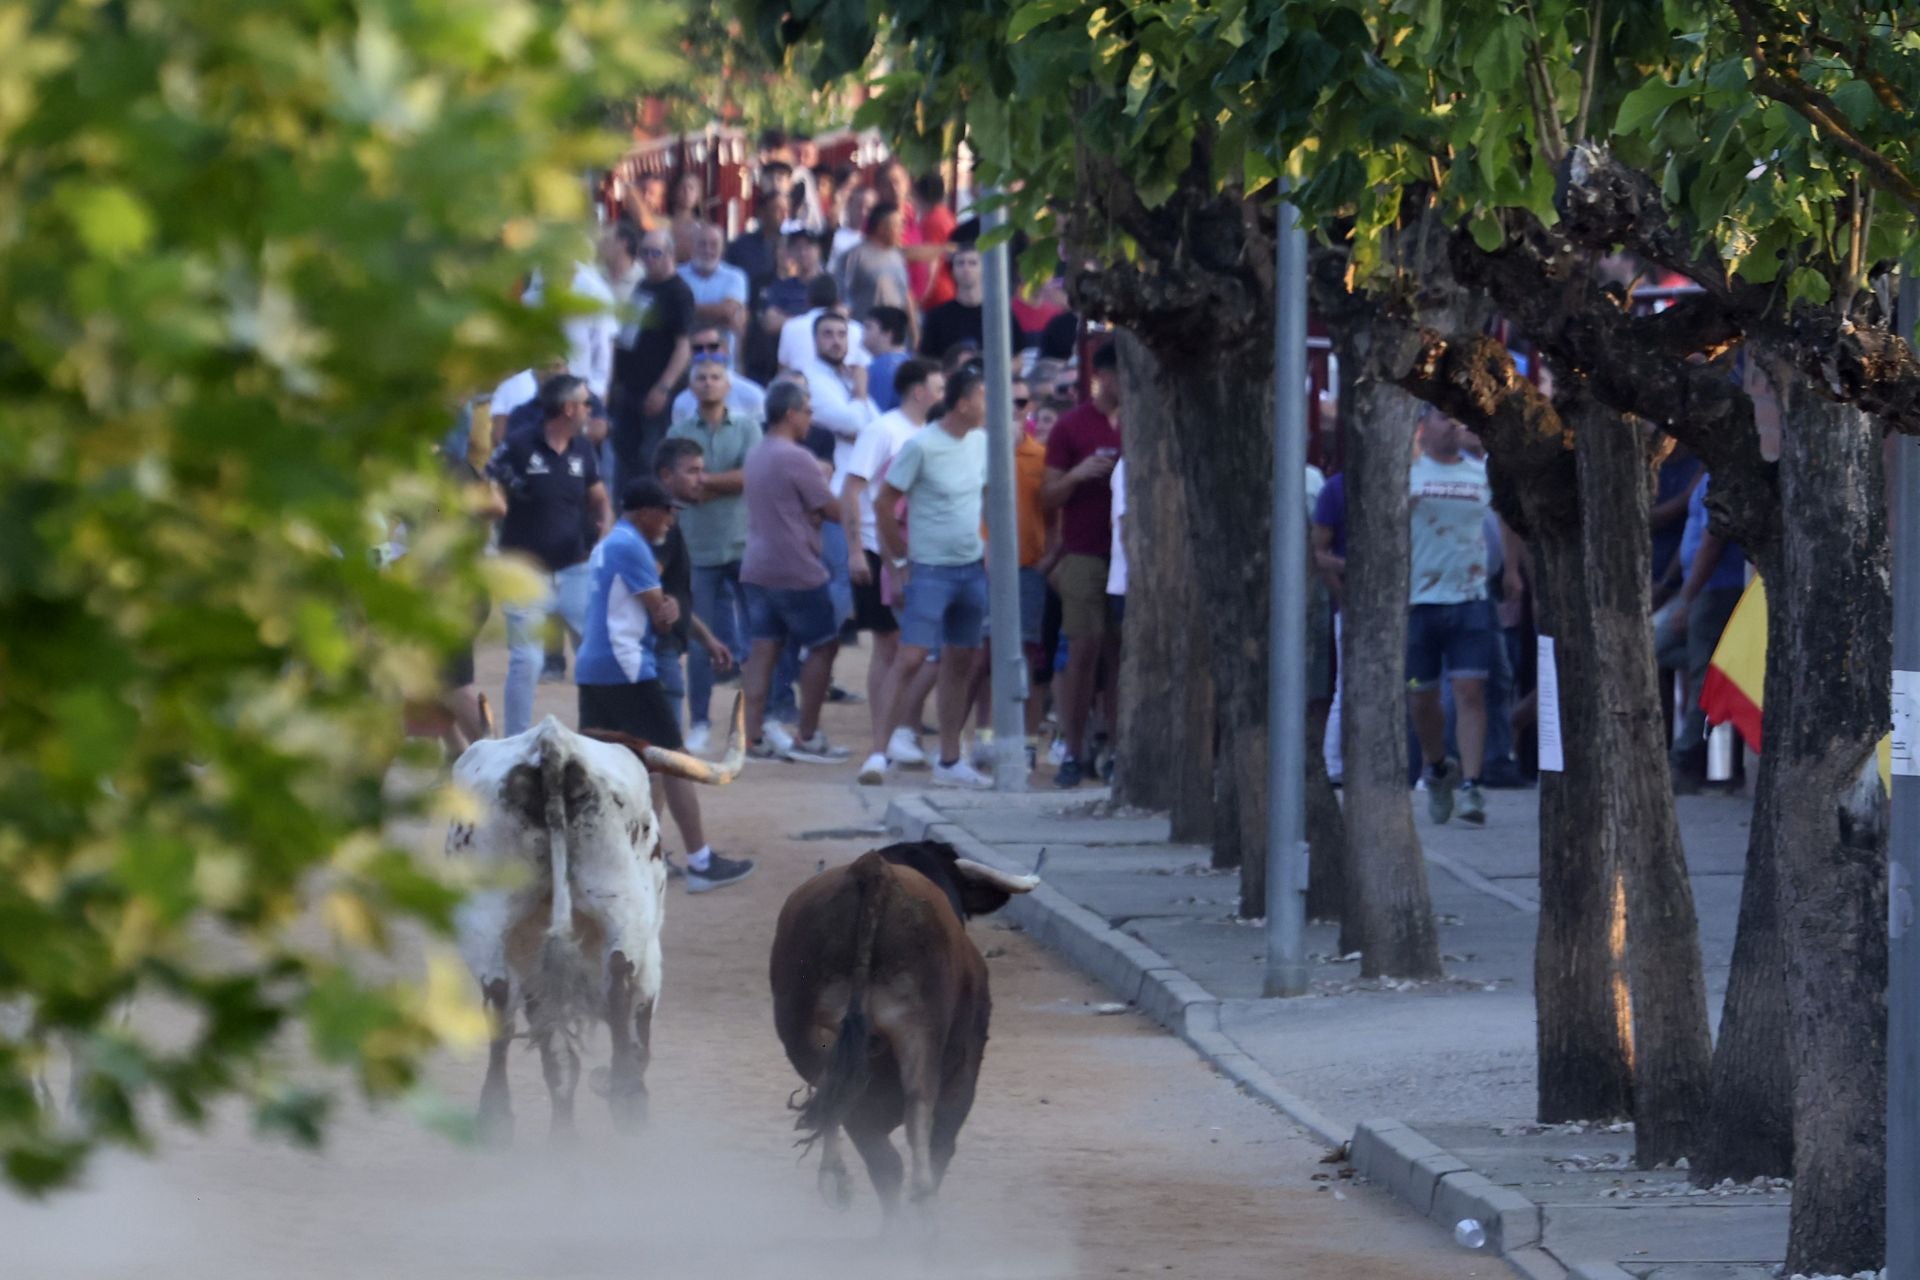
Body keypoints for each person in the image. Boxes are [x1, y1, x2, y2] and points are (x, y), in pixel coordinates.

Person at [576, 477, 754, 893]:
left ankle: (605, 861)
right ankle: (700, 862)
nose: (671, 522)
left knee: (608, 768)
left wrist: (686, 621)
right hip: (625, 670)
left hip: (594, 669)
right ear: (644, 512)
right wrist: (668, 608)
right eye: (666, 512)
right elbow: (663, 616)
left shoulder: (608, 543)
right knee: (674, 761)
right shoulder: (632, 546)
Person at [872, 364, 993, 790]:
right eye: (983, 396)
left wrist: (990, 547)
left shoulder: (982, 443)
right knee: (911, 656)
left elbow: (989, 497)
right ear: (963, 404)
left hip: (971, 569)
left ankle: (949, 758)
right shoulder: (921, 446)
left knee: (961, 659)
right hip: (930, 569)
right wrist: (899, 562)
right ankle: (878, 753)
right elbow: (884, 503)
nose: (990, 404)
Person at [487, 374, 611, 736]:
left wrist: (604, 524)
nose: (590, 409)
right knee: (528, 660)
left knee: (595, 655)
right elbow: (487, 483)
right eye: (586, 403)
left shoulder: (583, 449)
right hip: (526, 572)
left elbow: (598, 496)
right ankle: (515, 739)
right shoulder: (518, 445)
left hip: (575, 568)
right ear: (569, 408)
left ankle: (602, 733)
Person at [739, 380, 849, 762]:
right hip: (795, 566)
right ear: (791, 413)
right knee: (824, 644)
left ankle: (751, 737)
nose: (810, 418)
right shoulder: (796, 457)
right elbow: (832, 509)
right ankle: (808, 734)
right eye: (807, 411)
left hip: (757, 564)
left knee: (763, 649)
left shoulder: (757, 453)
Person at [849, 358, 947, 782]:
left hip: (911, 548)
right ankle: (890, 735)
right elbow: (852, 488)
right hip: (877, 547)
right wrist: (855, 549)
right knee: (889, 646)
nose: (943, 396)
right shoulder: (883, 430)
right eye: (939, 388)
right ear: (918, 391)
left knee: (906, 646)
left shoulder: (927, 433)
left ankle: (898, 732)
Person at [665, 357, 765, 753]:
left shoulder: (747, 426)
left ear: (728, 385)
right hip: (698, 547)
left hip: (743, 544)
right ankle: (702, 722)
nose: (708, 383)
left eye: (716, 377)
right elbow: (674, 485)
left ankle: (758, 722)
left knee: (759, 640)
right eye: (701, 378)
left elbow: (751, 477)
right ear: (691, 387)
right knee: (701, 642)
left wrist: (701, 481)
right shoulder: (678, 430)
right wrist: (726, 483)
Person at [1407, 407, 1497, 825]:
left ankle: (1473, 785)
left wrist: (1511, 572)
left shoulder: (1481, 474)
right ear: (1423, 428)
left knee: (1469, 691)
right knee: (1421, 697)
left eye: (1456, 418)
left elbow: (1505, 527)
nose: (1454, 424)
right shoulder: (1409, 473)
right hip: (1418, 601)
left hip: (1470, 598)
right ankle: (1439, 767)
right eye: (1444, 418)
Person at [1042, 342, 1123, 787]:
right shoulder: (1072, 427)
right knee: (1083, 650)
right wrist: (1077, 475)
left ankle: (1113, 746)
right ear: (1105, 377)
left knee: (1121, 654)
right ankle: (1072, 748)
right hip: (1083, 553)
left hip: (1130, 558)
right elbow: (1047, 495)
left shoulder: (1141, 423)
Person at [1655, 474, 1747, 792]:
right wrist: (1673, 586)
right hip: (1695, 586)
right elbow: (1691, 536)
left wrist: (1689, 598)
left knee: (1702, 678)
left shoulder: (1721, 478)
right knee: (1660, 650)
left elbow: (1712, 542)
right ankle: (1727, 676)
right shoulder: (1701, 477)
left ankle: (1683, 762)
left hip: (1715, 588)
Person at [802, 313, 877, 632]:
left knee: (840, 577)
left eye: (841, 334)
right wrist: (860, 392)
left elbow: (874, 427)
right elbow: (856, 423)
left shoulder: (845, 377)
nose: (836, 341)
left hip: (855, 493)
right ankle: (813, 651)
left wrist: (855, 405)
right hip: (830, 494)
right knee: (839, 576)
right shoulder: (811, 378)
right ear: (815, 340)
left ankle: (818, 663)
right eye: (827, 334)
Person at [609, 227, 693, 494]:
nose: (647, 258)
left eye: (654, 253)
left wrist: (663, 387)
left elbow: (683, 346)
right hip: (628, 389)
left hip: (655, 391)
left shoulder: (679, 293)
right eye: (643, 253)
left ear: (670, 254)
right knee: (625, 455)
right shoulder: (643, 286)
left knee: (652, 459)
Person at [918, 246, 1025, 359]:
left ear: (984, 269)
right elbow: (926, 359)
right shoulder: (937, 317)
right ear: (952, 271)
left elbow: (1018, 358)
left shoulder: (1000, 314)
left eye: (973, 263)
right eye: (960, 263)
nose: (966, 268)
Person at [678, 223, 750, 358]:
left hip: (723, 359)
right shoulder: (677, 275)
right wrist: (717, 315)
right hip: (683, 360)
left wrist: (685, 310)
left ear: (722, 249)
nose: (707, 250)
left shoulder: (735, 277)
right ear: (692, 246)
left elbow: (728, 312)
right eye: (702, 244)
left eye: (714, 244)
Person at [670, 324, 767, 423]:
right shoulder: (682, 403)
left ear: (725, 349)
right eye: (698, 349)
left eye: (713, 347)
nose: (706, 353)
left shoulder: (752, 395)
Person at [836, 200, 913, 324]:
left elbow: (905, 294)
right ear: (881, 227)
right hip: (864, 332)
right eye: (897, 225)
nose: (902, 230)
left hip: (896, 335)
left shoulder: (897, 256)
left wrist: (915, 333)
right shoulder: (853, 256)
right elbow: (840, 297)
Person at [864, 306, 911, 413]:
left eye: (868, 327)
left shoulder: (879, 368)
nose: (863, 332)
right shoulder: (912, 361)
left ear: (887, 334)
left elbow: (873, 415)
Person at [669, 172, 706, 263]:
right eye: (683, 188)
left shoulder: (704, 227)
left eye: (691, 188)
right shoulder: (664, 224)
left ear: (698, 194)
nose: (687, 192)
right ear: (674, 191)